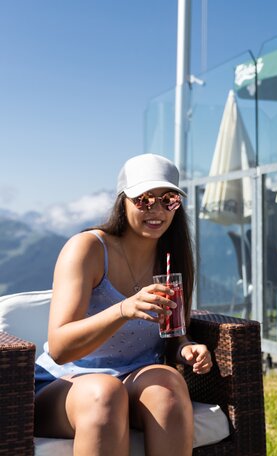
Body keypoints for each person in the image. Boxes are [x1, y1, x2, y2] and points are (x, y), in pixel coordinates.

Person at [33, 154, 212, 455]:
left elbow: (172, 333)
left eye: (168, 200)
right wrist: (122, 310)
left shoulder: (171, 257)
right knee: (105, 393)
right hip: (65, 383)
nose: (157, 210)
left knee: (168, 386)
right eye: (144, 199)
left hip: (134, 380)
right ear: (123, 201)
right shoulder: (88, 248)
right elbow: (61, 348)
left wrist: (185, 347)